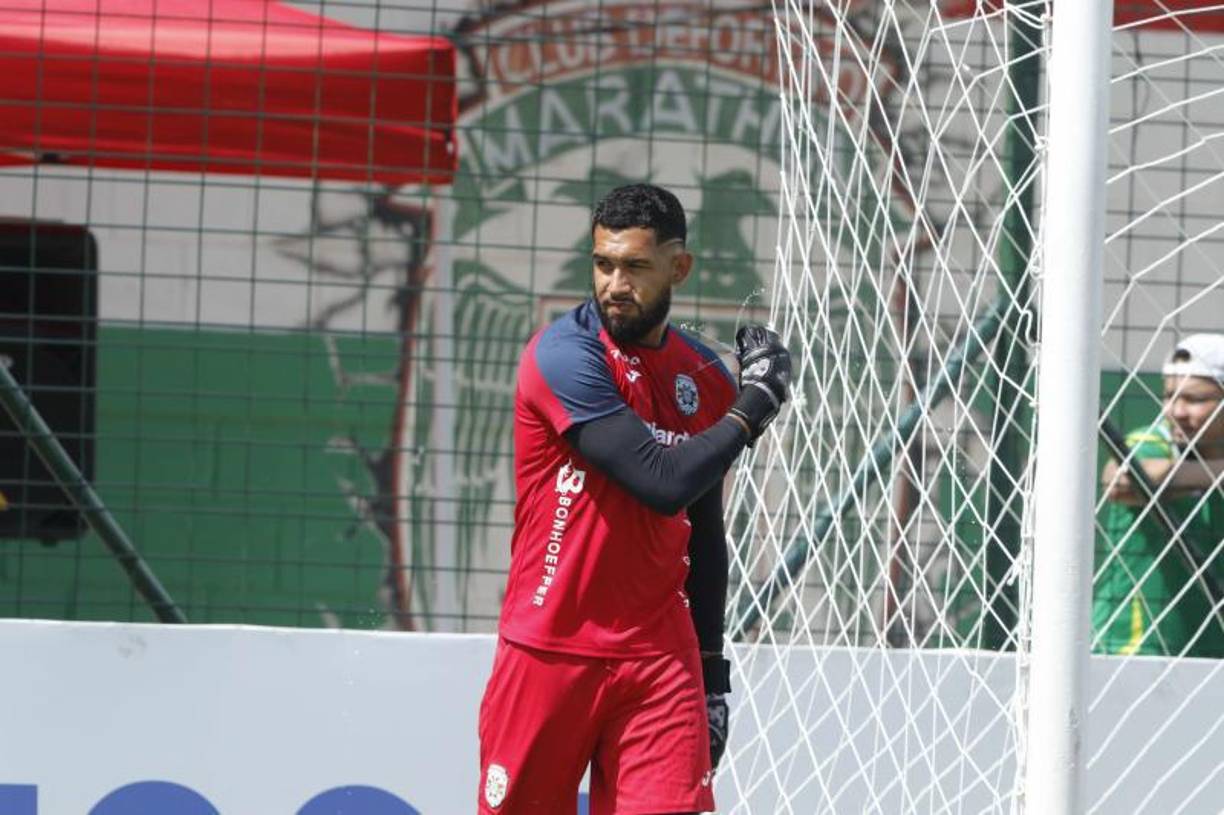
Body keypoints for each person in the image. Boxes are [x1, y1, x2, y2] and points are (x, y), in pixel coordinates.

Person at [476, 184, 791, 814]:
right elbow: (660, 482)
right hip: (549, 649)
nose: (615, 284)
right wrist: (756, 405)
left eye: (636, 267)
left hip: (657, 658)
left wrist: (711, 676)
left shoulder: (701, 373)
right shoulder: (564, 357)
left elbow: (702, 529)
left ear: (679, 268)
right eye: (604, 264)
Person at [1096, 333, 1224, 657]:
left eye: (1194, 399)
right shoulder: (1153, 442)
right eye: (1169, 396)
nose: (1175, 411)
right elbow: (1120, 480)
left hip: (1209, 657)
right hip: (1129, 653)